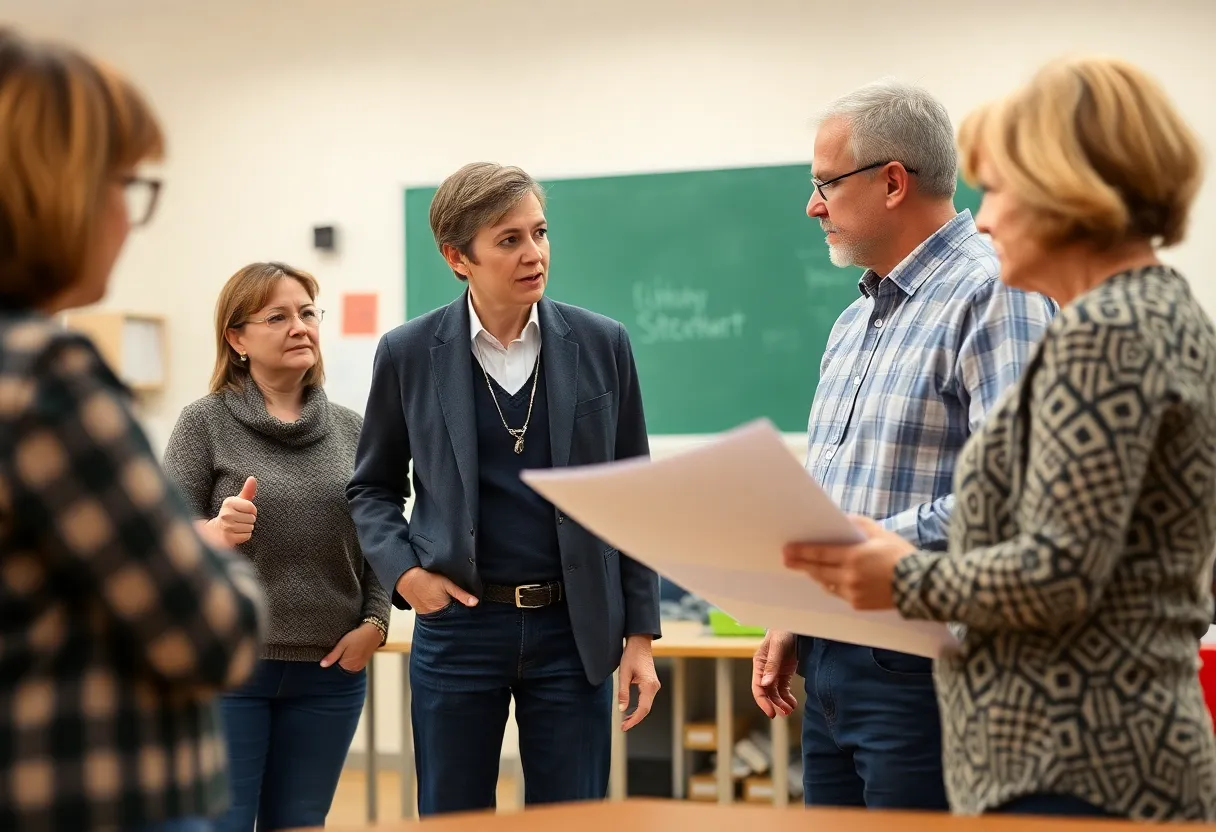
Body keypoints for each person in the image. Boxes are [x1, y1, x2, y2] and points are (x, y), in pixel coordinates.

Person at [784, 56, 1216, 821]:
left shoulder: (1106, 333)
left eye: (1002, 188)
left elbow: (1059, 570)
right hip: (1093, 748)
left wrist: (899, 575)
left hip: (1082, 757)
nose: (982, 217)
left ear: (1070, 193)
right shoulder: (1158, 312)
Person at [749, 79, 1056, 810]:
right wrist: (801, 604)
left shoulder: (996, 295)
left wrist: (860, 550)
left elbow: (1012, 496)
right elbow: (837, 493)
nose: (811, 206)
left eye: (825, 184)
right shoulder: (854, 322)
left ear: (892, 182)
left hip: (922, 665)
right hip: (829, 660)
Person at [0, 27, 265, 832]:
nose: (128, 217)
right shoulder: (44, 375)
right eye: (124, 184)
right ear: (54, 188)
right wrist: (217, 563)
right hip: (94, 799)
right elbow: (208, 631)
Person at [347, 162, 661, 816]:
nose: (534, 253)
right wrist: (405, 575)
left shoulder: (603, 344)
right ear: (458, 257)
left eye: (540, 232)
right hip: (460, 626)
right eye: (509, 240)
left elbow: (634, 495)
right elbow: (372, 489)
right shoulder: (408, 353)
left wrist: (640, 636)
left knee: (572, 819)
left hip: (574, 628)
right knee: (453, 815)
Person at [163, 262, 390, 831]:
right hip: (230, 669)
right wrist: (211, 533)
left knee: (301, 823)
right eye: (279, 316)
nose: (301, 327)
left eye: (308, 313)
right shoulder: (204, 423)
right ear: (237, 339)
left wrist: (376, 622)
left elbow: (382, 533)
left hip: (330, 674)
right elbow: (160, 542)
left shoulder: (351, 429)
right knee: (225, 823)